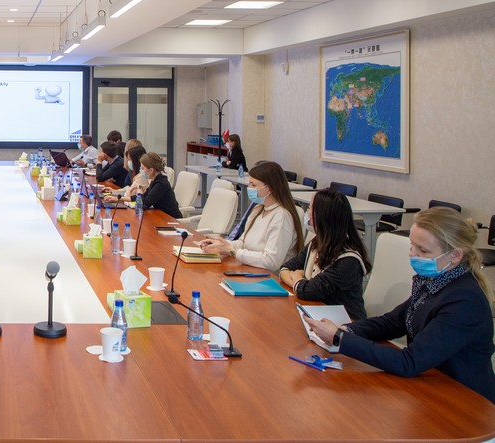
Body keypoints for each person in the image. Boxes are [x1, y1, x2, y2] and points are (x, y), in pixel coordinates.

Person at [305, 208, 495, 404]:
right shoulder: (433, 282)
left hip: (465, 400)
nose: (412, 254)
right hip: (432, 386)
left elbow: (409, 362)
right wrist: (347, 330)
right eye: (412, 245)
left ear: (455, 256)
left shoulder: (465, 301)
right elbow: (393, 322)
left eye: (423, 250)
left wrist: (339, 338)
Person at [279, 189, 371, 320]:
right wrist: (298, 282)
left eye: (310, 208)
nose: (307, 213)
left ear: (322, 217)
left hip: (345, 323)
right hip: (316, 313)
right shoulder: (317, 242)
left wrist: (297, 278)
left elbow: (308, 291)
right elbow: (285, 269)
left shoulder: (349, 260)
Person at [198, 160, 303, 271]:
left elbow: (271, 261)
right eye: (249, 183)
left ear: (269, 188)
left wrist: (232, 251)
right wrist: (222, 245)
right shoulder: (259, 208)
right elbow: (243, 242)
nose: (249, 187)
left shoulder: (282, 217)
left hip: (269, 276)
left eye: (253, 185)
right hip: (250, 269)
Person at [138, 151, 181, 219]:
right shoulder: (155, 180)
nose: (141, 170)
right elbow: (145, 196)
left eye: (142, 168)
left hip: (172, 219)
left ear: (151, 170)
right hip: (162, 216)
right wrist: (121, 198)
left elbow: (145, 203)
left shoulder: (160, 184)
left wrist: (139, 191)